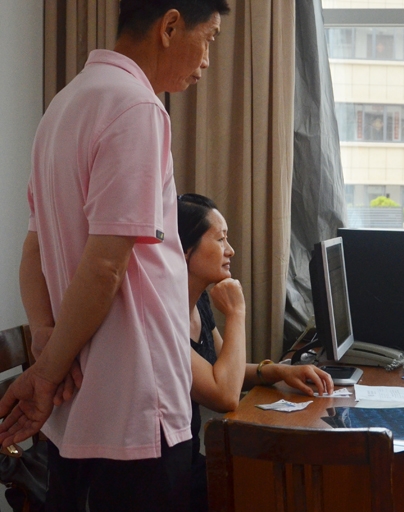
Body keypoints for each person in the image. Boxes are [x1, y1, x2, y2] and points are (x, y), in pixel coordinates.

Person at [0, 2, 230, 511]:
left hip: (75, 411)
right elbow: (106, 265)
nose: (207, 59)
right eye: (209, 38)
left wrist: (46, 338)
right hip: (136, 408)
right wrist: (46, 372)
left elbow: (34, 250)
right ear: (170, 26)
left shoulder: (63, 105)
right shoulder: (137, 107)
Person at [177, 193, 333, 511]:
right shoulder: (163, 318)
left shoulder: (199, 301)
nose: (230, 250)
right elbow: (225, 395)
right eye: (220, 239)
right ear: (184, 250)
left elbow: (226, 370)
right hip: (168, 477)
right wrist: (237, 313)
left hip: (190, 460)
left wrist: (280, 371)